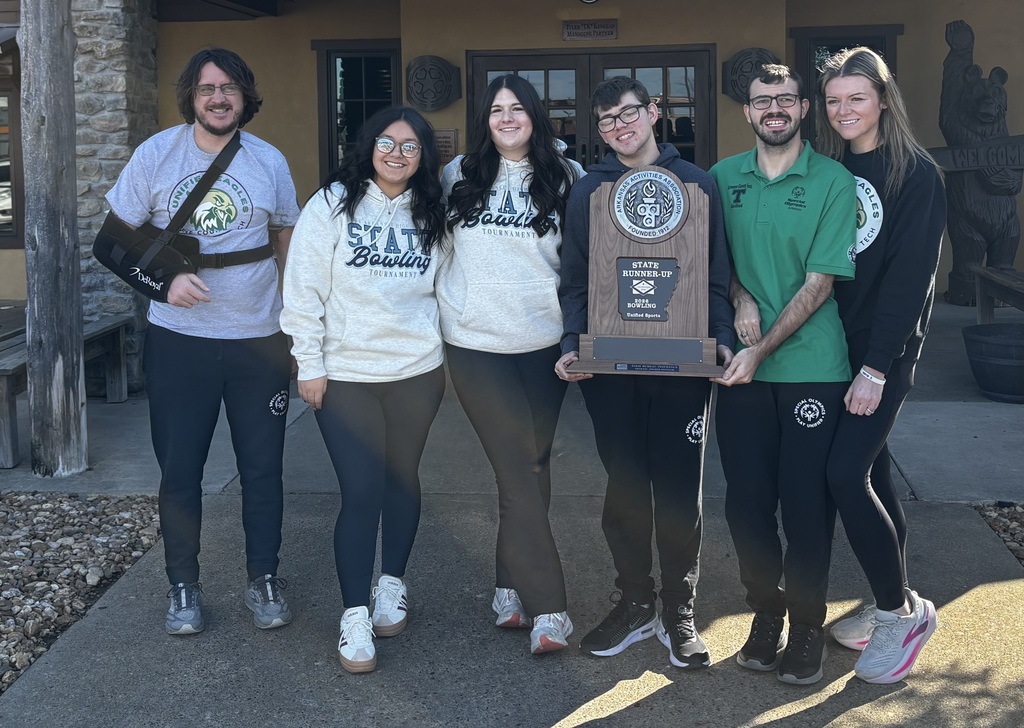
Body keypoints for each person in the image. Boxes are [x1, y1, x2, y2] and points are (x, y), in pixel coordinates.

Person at [106, 48, 299, 636]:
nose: (219, 98)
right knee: (181, 472)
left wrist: (295, 322)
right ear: (192, 95)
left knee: (263, 470)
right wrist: (163, 281)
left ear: (246, 96)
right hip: (179, 344)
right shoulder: (157, 154)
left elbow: (286, 237)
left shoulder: (268, 160)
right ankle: (182, 586)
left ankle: (263, 577)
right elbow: (110, 244)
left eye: (230, 88)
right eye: (208, 89)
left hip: (258, 341)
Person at [557, 76, 734, 669]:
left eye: (628, 114)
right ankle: (636, 601)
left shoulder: (696, 184)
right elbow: (576, 278)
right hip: (611, 365)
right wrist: (571, 342)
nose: (619, 127)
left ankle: (680, 609)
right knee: (626, 486)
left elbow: (715, 277)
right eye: (606, 121)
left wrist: (724, 340)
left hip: (682, 365)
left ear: (654, 112)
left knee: (681, 489)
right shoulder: (588, 192)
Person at [280, 106, 446, 674]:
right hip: (346, 374)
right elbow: (302, 289)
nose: (397, 153)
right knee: (361, 491)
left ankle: (391, 586)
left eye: (410, 146)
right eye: (387, 142)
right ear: (368, 146)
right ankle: (354, 614)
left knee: (403, 480)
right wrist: (310, 363)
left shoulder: (435, 211)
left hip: (417, 371)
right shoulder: (330, 204)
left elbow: (450, 286)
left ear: (424, 157)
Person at [709, 63, 856, 685]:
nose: (775, 109)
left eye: (786, 100)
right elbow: (716, 264)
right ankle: (765, 615)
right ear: (747, 111)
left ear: (802, 109)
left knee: (804, 508)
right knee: (745, 507)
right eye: (763, 100)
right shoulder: (720, 178)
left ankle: (805, 626)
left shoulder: (833, 180)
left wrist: (761, 349)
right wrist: (741, 299)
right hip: (739, 373)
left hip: (810, 371)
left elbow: (820, 283)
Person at [439, 74, 584, 655]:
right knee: (518, 470)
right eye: (496, 110)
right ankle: (550, 605)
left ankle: (507, 586)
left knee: (531, 468)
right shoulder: (459, 176)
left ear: (536, 116)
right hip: (476, 345)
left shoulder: (565, 177)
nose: (506, 118)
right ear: (485, 119)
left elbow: (580, 268)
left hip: (544, 346)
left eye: (517, 108)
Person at [817, 47, 944, 685]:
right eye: (835, 100)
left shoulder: (916, 176)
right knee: (872, 474)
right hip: (831, 346)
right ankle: (890, 592)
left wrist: (876, 367)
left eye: (857, 98)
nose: (844, 110)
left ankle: (900, 615)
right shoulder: (831, 167)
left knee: (844, 473)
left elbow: (908, 282)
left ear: (883, 101)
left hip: (882, 351)